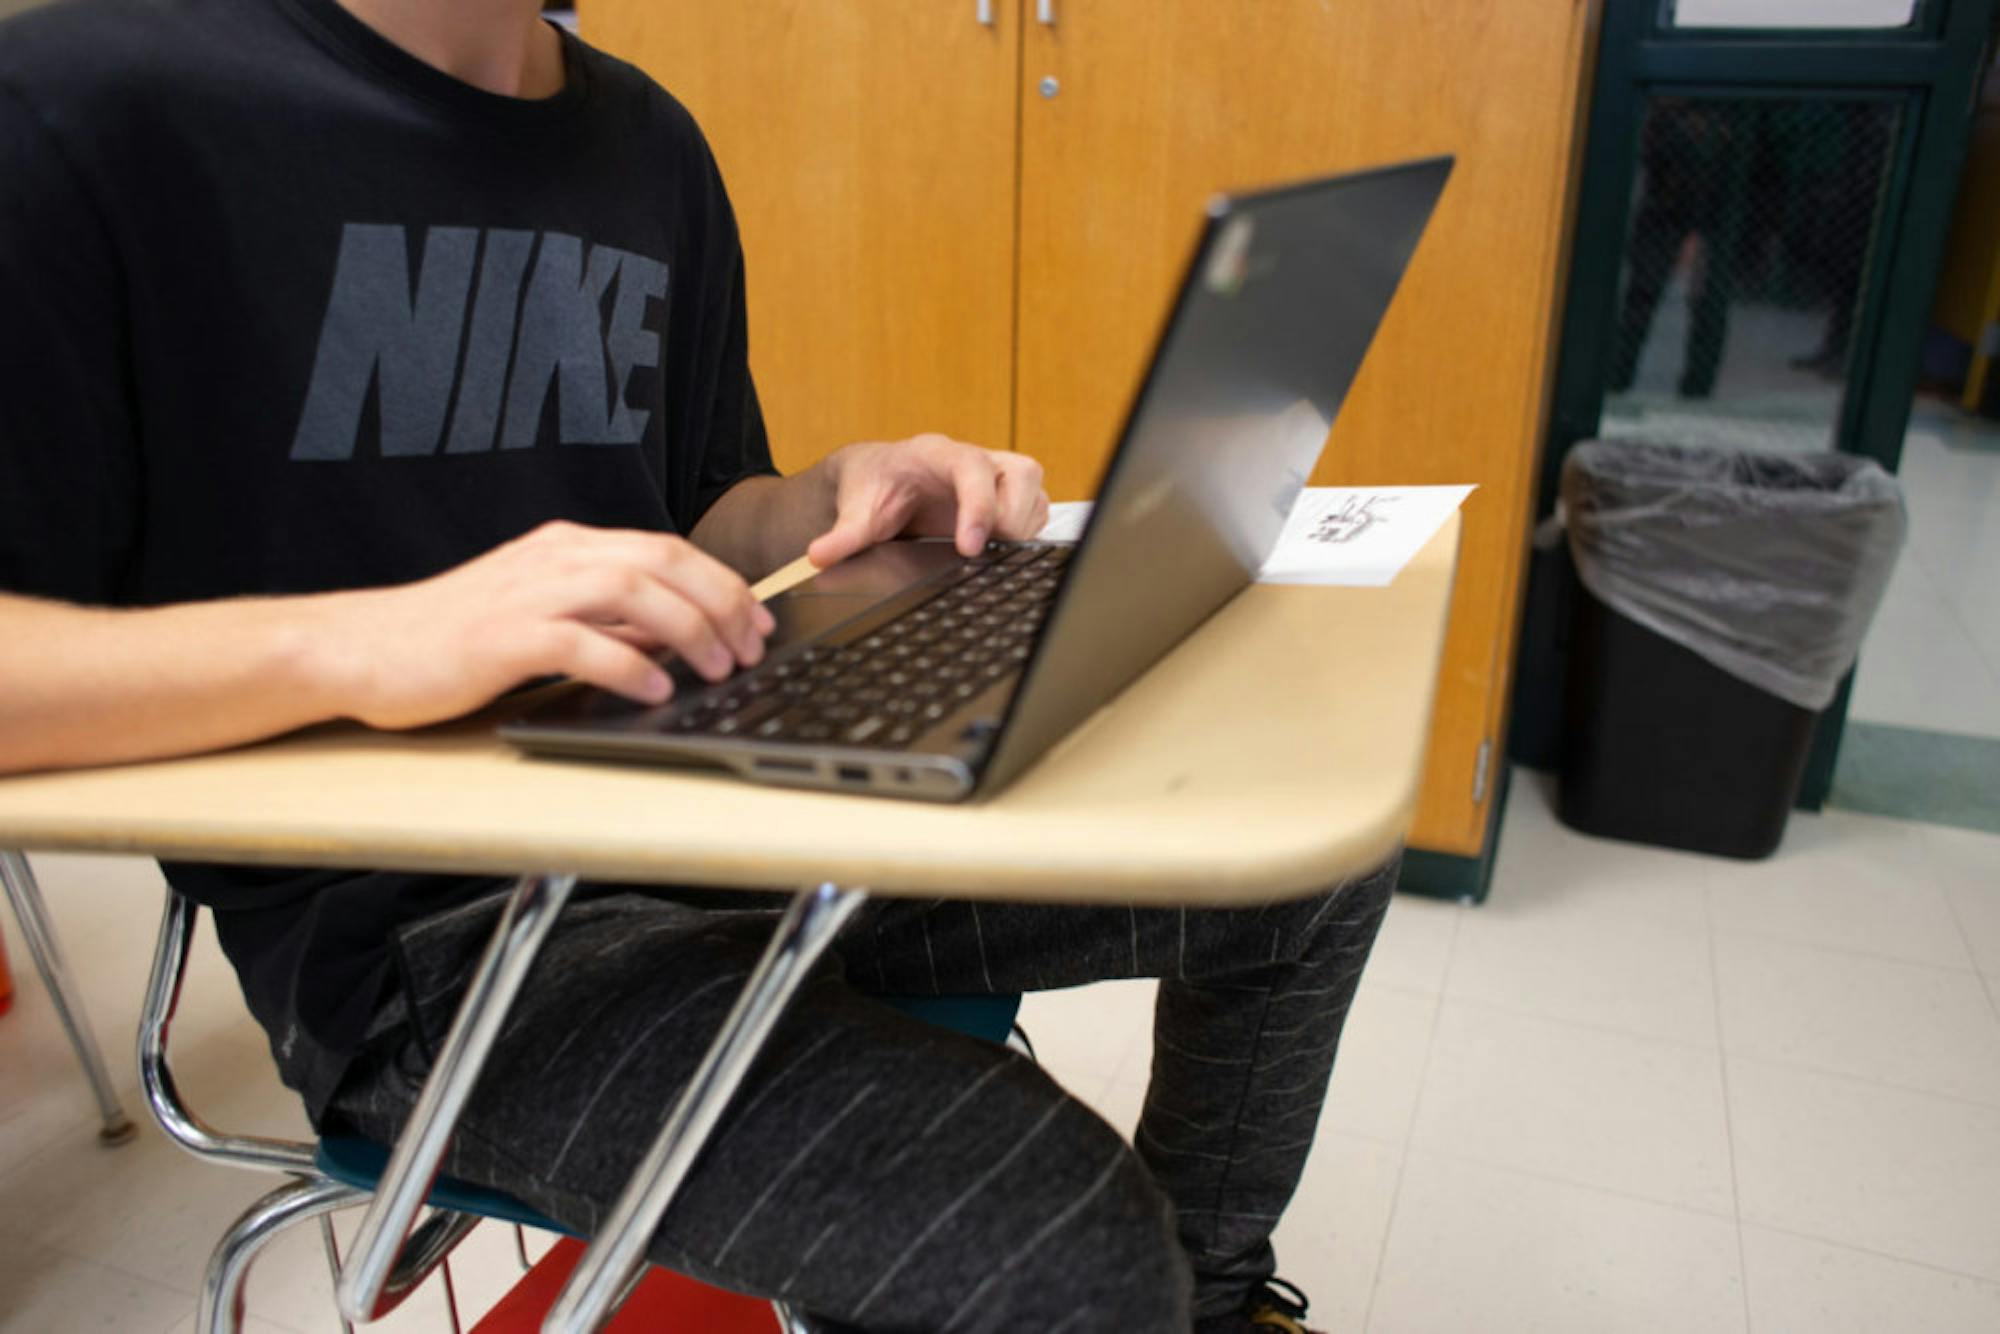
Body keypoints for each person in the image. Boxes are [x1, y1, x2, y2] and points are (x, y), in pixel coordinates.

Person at [0, 1, 1395, 1329]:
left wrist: (840, 493)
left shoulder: (646, 141)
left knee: (1308, 866)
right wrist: (362, 635)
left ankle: (1214, 1303)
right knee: (1063, 1250)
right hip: (440, 944)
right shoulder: (85, 108)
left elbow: (696, 513)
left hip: (723, 791)